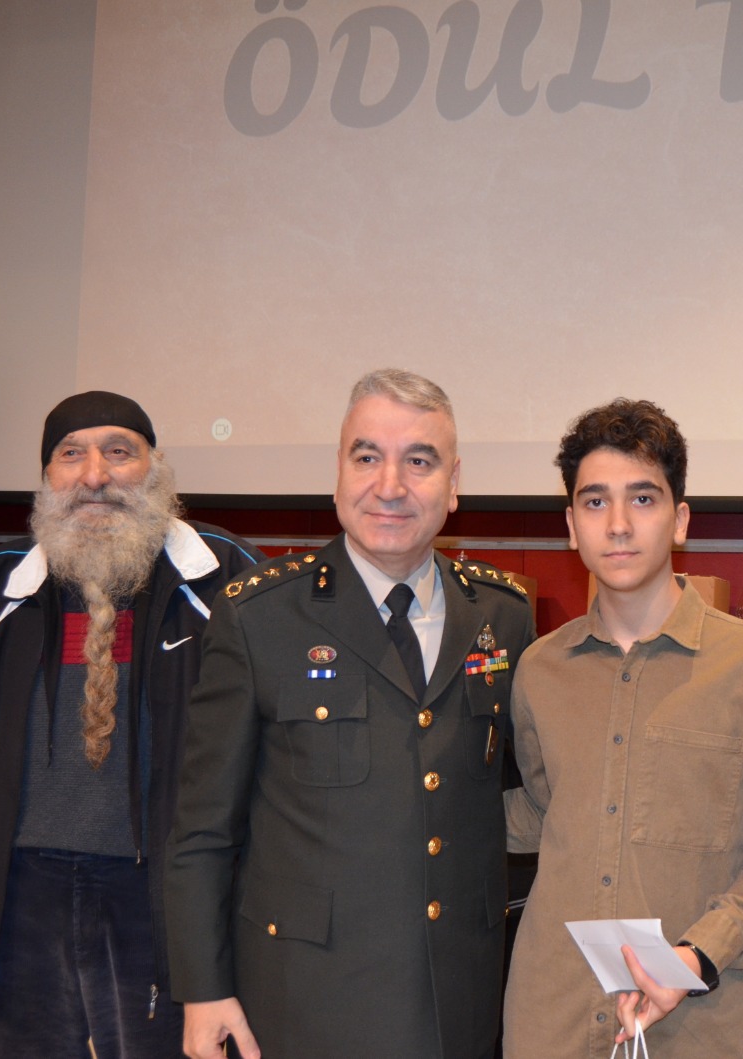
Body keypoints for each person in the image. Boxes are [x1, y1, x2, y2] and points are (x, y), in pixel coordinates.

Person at [166, 369, 536, 1059]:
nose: (389, 486)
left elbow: (523, 796)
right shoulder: (260, 617)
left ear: (454, 483)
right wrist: (202, 988)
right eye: (367, 457)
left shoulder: (504, 616)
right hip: (304, 1000)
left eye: (419, 461)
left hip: (458, 1001)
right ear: (337, 473)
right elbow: (202, 827)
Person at [0, 390, 262, 1058]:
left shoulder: (225, 576)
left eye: (118, 452)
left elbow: (264, 769)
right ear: (46, 475)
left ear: (154, 467)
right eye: (71, 454)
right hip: (19, 899)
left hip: (161, 899)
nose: (94, 475)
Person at [502, 398, 743, 1058]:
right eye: (595, 502)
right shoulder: (539, 669)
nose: (618, 524)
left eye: (643, 499)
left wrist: (698, 954)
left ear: (679, 519)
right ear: (570, 525)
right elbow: (541, 812)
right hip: (550, 1013)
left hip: (694, 1024)